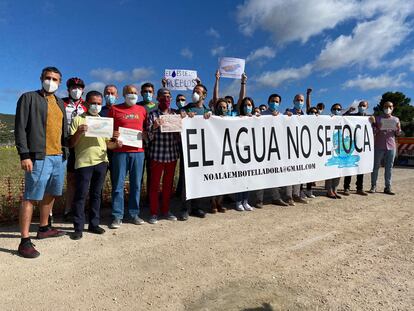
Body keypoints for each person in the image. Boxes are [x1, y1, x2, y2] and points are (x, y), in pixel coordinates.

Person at [14, 66, 68, 258]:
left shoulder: (60, 103)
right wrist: (24, 155)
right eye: (48, 78)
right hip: (38, 156)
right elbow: (20, 128)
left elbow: (63, 131)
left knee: (51, 193)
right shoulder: (28, 98)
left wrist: (66, 151)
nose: (51, 82)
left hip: (58, 156)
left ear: (60, 83)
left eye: (55, 79)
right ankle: (24, 241)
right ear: (41, 78)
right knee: (30, 196)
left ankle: (44, 228)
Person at [69, 91, 122, 240]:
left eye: (99, 103)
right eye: (93, 103)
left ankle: (94, 224)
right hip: (84, 163)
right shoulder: (78, 120)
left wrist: (116, 143)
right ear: (86, 104)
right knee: (81, 195)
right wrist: (79, 133)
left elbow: (107, 144)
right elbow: (71, 144)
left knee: (96, 195)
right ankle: (78, 228)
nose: (96, 106)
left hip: (102, 162)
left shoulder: (104, 122)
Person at [108, 85, 147, 228]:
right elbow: (107, 129)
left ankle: (134, 213)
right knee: (118, 185)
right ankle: (117, 216)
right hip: (120, 152)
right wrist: (113, 134)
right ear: (124, 94)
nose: (133, 95)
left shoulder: (142, 110)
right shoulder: (114, 109)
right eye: (129, 92)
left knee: (136, 185)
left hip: (138, 152)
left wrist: (145, 135)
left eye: (135, 93)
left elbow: (146, 130)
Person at [146, 88, 182, 224]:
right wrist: (154, 127)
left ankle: (166, 211)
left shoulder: (175, 114)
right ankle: (154, 212)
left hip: (172, 155)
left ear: (171, 99)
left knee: (168, 185)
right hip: (157, 155)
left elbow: (180, 137)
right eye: (163, 96)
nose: (165, 99)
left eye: (168, 97)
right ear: (158, 98)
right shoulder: (152, 115)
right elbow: (148, 138)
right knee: (154, 185)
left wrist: (180, 128)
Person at [179, 84, 212, 220]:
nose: (195, 93)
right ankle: (184, 208)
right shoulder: (185, 109)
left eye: (198, 92)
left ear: (204, 95)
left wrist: (210, 118)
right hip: (188, 150)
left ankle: (197, 207)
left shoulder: (207, 111)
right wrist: (184, 116)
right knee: (186, 180)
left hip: (202, 151)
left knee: (199, 179)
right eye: (194, 91)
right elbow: (178, 121)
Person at [256, 94, 289, 207]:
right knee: (261, 174)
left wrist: (289, 117)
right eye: (273, 101)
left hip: (276, 150)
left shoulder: (281, 116)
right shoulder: (262, 114)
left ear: (279, 103)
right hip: (263, 149)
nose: (275, 103)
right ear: (268, 101)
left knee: (275, 173)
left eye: (277, 101)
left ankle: (276, 197)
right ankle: (259, 200)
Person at [62, 77, 87, 221]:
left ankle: (77, 209)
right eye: (73, 87)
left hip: (82, 145)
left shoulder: (86, 105)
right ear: (68, 89)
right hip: (66, 144)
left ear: (83, 89)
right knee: (68, 178)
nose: (76, 90)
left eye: (79, 87)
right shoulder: (62, 103)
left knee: (81, 179)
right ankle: (66, 210)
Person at [370, 101, 401, 195]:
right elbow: (373, 132)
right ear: (383, 107)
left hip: (391, 146)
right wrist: (376, 126)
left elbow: (398, 134)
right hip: (378, 145)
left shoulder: (396, 119)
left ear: (393, 108)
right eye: (386, 106)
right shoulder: (377, 118)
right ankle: (373, 186)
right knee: (375, 167)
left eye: (390, 106)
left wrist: (398, 129)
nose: (388, 108)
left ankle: (388, 187)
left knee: (389, 168)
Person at [284, 94, 309, 205]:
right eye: (298, 100)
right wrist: (286, 116)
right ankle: (289, 196)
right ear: (294, 101)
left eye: (301, 100)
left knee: (299, 172)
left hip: (301, 148)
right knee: (290, 173)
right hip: (289, 147)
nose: (300, 102)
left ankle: (297, 194)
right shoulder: (289, 113)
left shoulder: (305, 115)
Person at [342, 101, 369, 196]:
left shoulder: (369, 118)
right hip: (352, 144)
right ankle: (346, 187)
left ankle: (359, 188)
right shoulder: (353, 116)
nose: (362, 107)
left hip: (362, 146)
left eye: (364, 105)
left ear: (367, 107)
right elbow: (343, 117)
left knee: (361, 168)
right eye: (360, 105)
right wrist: (348, 110)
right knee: (349, 166)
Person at [325, 103, 343, 199]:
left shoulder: (343, 119)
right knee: (330, 169)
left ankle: (335, 189)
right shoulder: (328, 118)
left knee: (339, 170)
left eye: (339, 109)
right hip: (329, 147)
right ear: (331, 110)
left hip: (340, 147)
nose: (337, 110)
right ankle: (329, 190)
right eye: (335, 109)